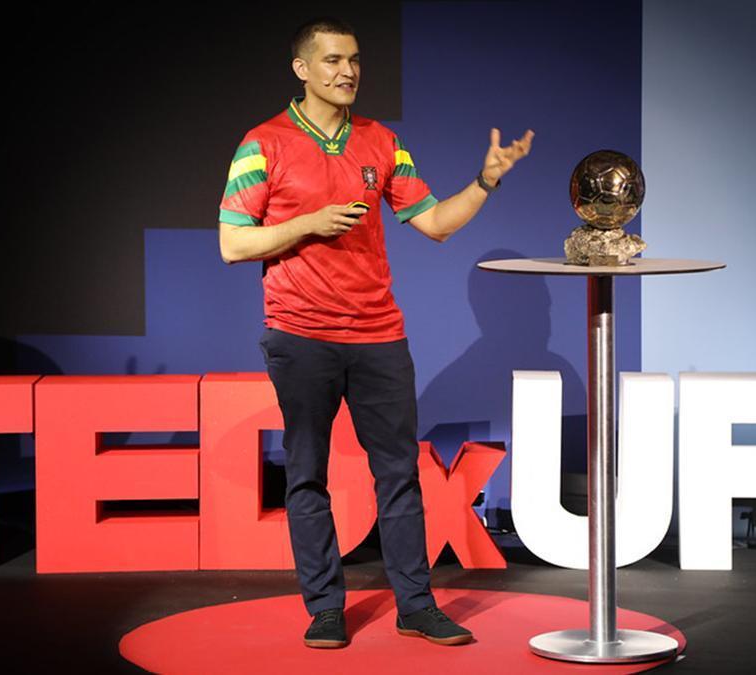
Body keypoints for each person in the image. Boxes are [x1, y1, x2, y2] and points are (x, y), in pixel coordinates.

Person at [217, 16, 533, 649]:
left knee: (399, 474)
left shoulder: (382, 142)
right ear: (302, 69)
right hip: (300, 334)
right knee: (306, 473)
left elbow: (435, 223)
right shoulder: (263, 143)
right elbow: (232, 243)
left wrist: (486, 182)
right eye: (333, 60)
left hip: (378, 335)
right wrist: (307, 224)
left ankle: (415, 605)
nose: (348, 71)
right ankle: (325, 609)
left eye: (355, 60)